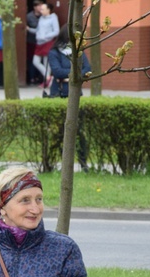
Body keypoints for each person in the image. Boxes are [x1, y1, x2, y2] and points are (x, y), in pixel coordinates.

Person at [48, 25, 92, 169]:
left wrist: (69, 76)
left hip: (75, 95)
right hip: (59, 94)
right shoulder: (54, 52)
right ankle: (56, 163)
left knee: (80, 132)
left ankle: (83, 161)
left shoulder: (78, 52)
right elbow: (57, 71)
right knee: (59, 131)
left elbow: (87, 69)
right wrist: (75, 74)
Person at [33, 2, 60, 89]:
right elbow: (38, 30)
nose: (41, 11)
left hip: (47, 42)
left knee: (46, 63)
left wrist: (45, 36)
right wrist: (31, 30)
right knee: (35, 61)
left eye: (43, 9)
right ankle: (49, 78)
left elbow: (56, 31)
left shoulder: (53, 18)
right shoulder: (41, 18)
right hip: (39, 43)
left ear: (48, 10)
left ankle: (46, 81)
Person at [26, 0, 44, 85]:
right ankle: (32, 78)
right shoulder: (29, 16)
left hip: (41, 42)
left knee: (41, 60)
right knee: (31, 60)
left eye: (42, 6)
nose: (41, 8)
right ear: (34, 7)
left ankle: (40, 78)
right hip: (31, 41)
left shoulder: (44, 16)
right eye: (39, 6)